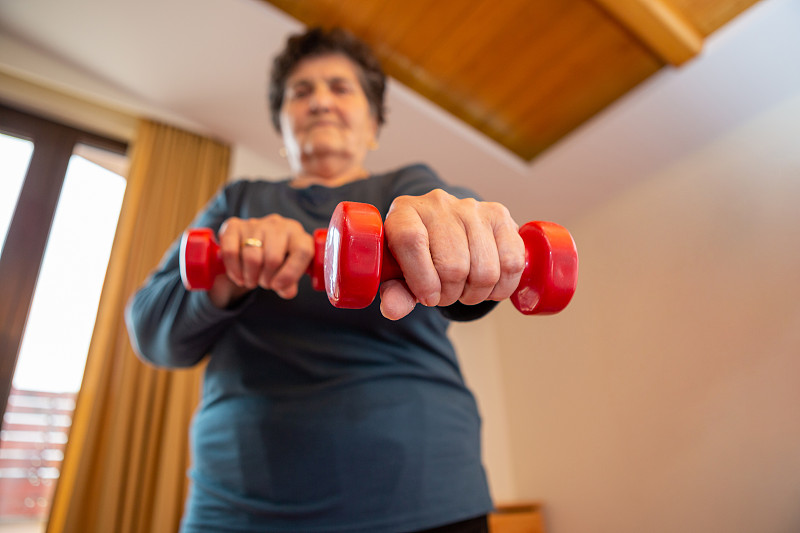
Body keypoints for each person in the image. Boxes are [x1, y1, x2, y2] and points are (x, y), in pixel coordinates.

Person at [126, 27, 525, 533]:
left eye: (340, 88)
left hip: (422, 497)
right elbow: (150, 331)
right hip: (238, 507)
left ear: (373, 124)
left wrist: (459, 228)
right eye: (301, 92)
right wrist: (233, 269)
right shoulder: (238, 202)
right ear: (282, 127)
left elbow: (459, 244)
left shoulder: (405, 188)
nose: (319, 102)